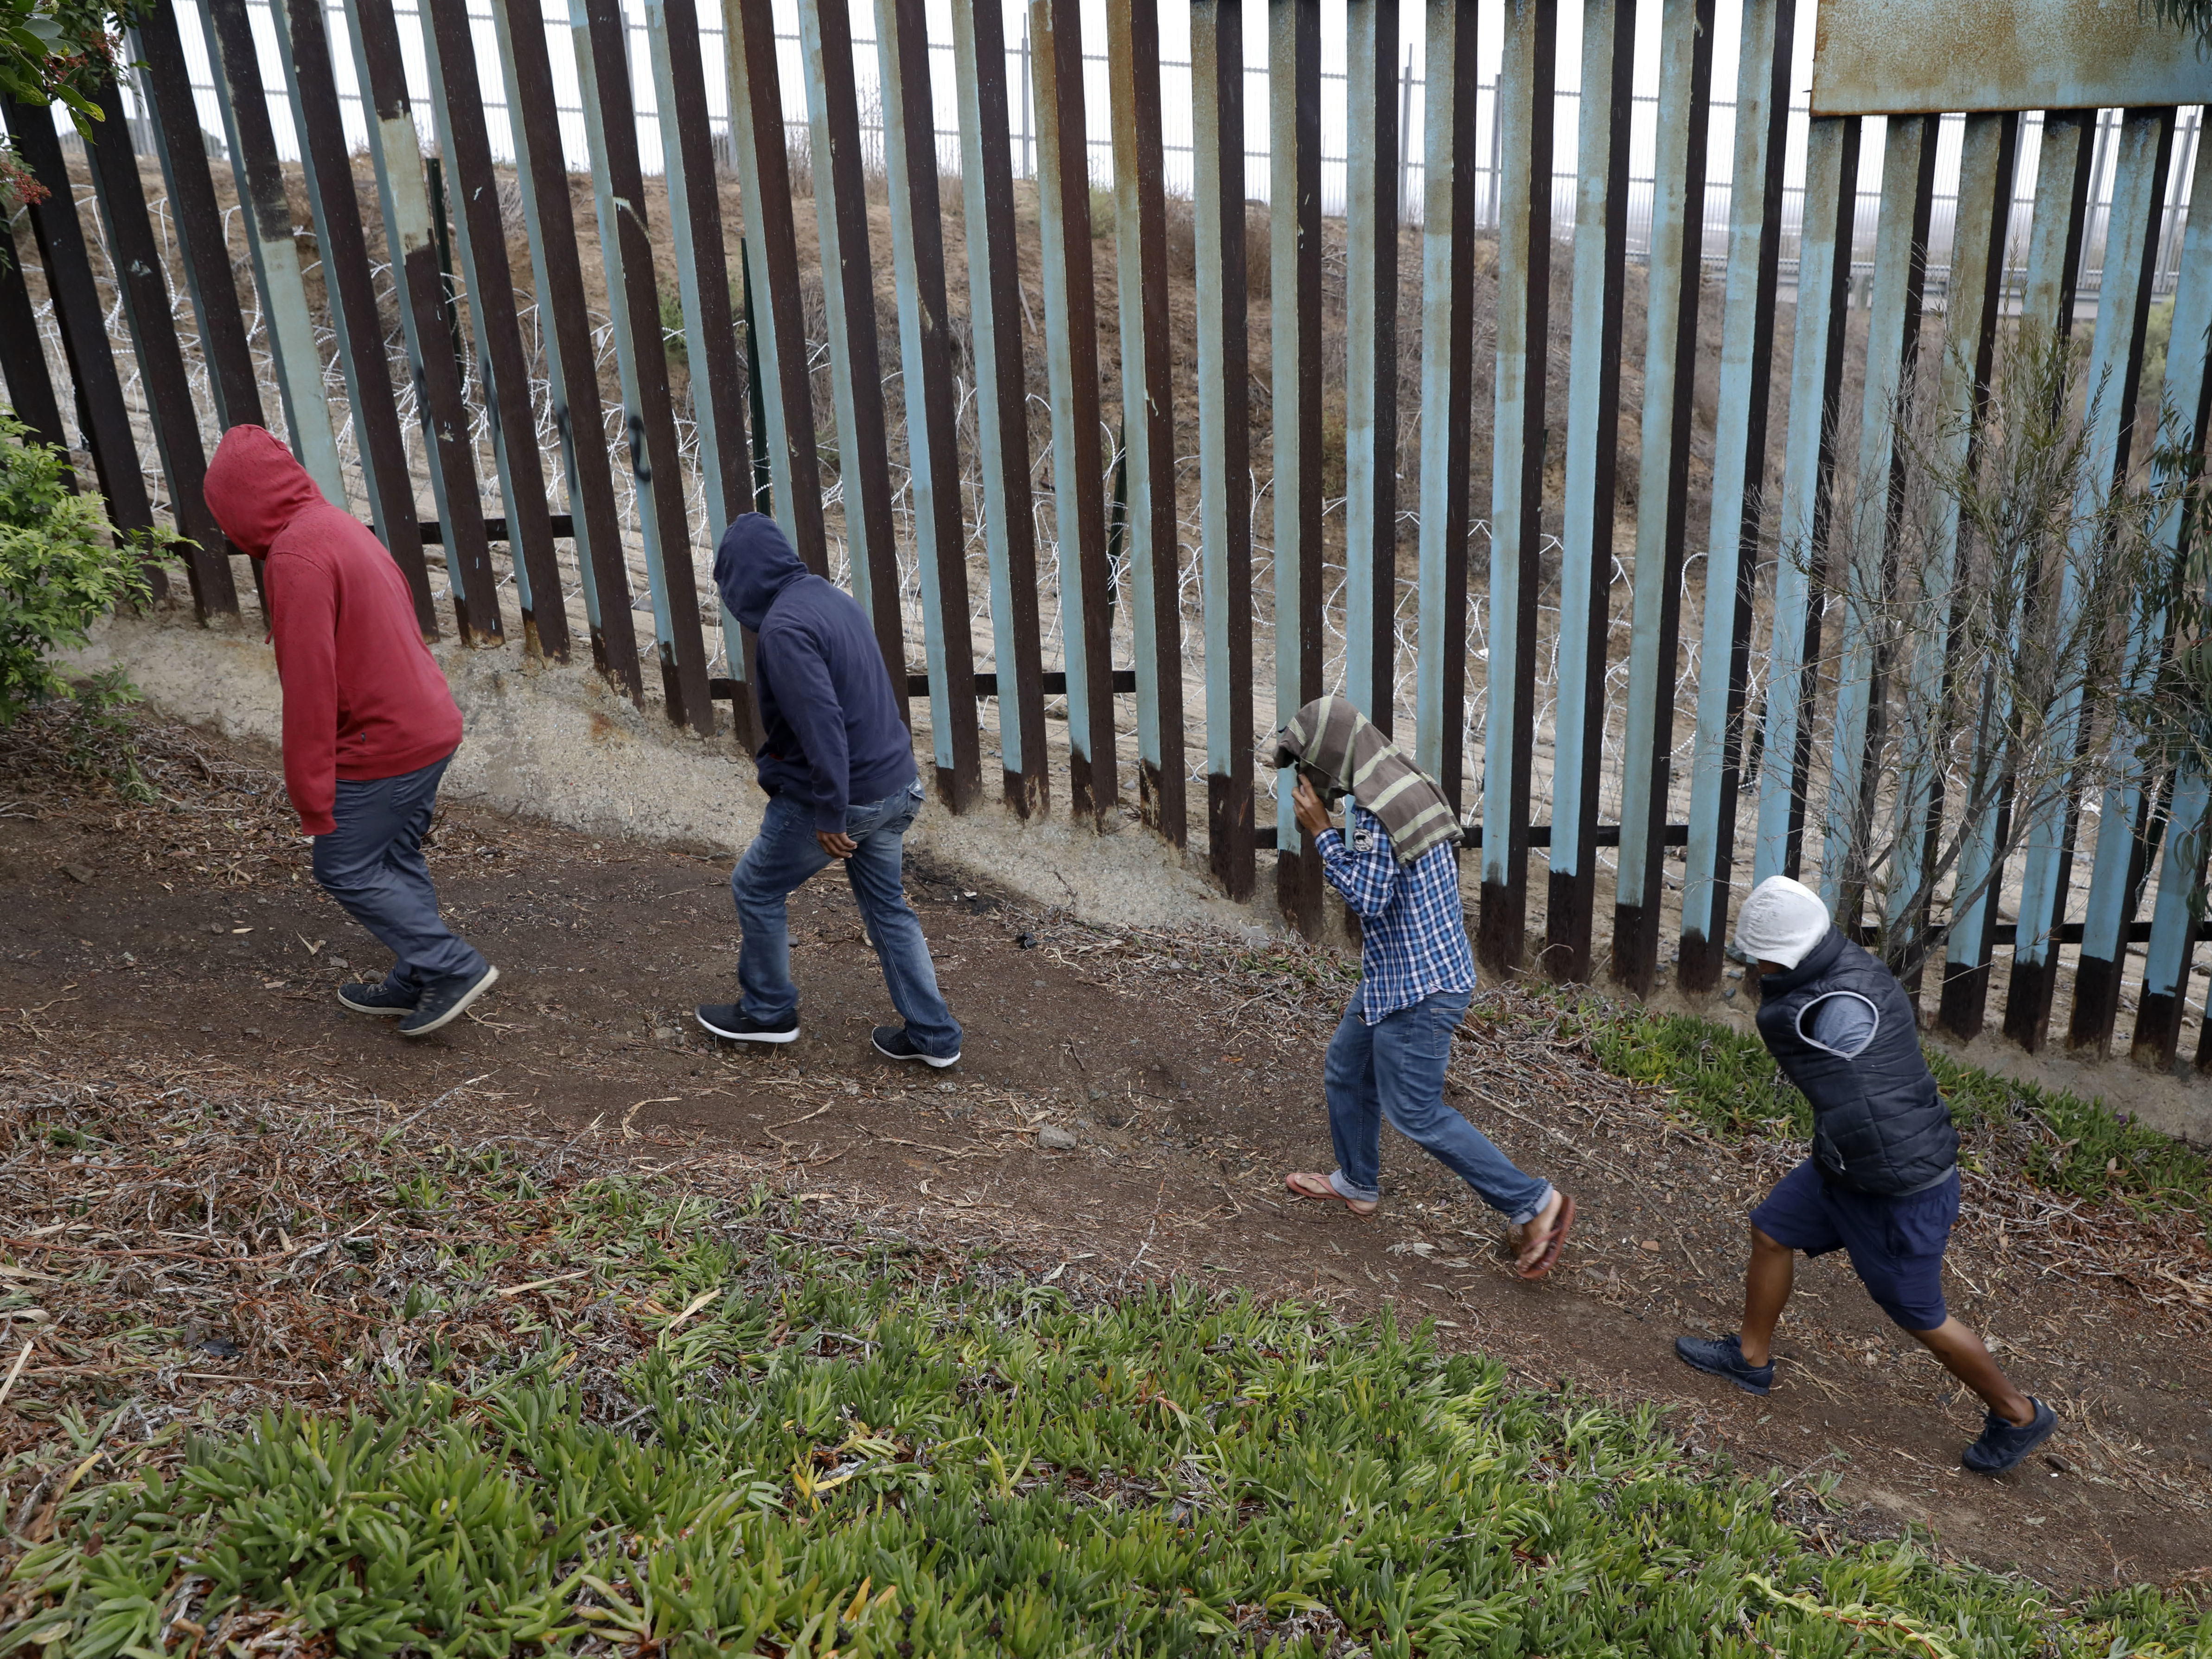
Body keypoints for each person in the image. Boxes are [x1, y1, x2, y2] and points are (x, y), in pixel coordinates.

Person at [1675, 875, 2058, 1474]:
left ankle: (2017, 1413)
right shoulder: (1847, 966)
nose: (1759, 968)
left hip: (1894, 1186)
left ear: (1794, 952)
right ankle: (1750, 1358)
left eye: (1765, 957)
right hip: (1847, 1162)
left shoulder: (1829, 1010)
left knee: (1917, 1312)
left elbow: (1858, 1074)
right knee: (1772, 1229)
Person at [200, 425, 497, 1037]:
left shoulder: (296, 557)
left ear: (240, 507)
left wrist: (312, 796)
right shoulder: (334, 525)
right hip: (428, 722)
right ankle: (417, 974)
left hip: (382, 738)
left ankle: (452, 966)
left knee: (345, 865)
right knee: (392, 854)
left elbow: (311, 688)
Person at [1266, 695, 1573, 1279]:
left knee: (1417, 1112)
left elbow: (1371, 899)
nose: (1304, 780)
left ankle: (1537, 1203)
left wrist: (1322, 835)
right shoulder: (1404, 777)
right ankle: (1358, 1181)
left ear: (1329, 760)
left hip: (1419, 986)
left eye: (1305, 766)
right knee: (1345, 1069)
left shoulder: (1376, 809)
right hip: (1403, 972)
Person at [696, 513, 961, 1067]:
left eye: (727, 581)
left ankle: (768, 1012)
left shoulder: (785, 629)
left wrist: (832, 812)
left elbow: (823, 725)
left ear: (744, 576)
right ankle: (935, 1035)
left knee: (756, 886)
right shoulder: (829, 599)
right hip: (897, 785)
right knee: (888, 908)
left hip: (850, 797)